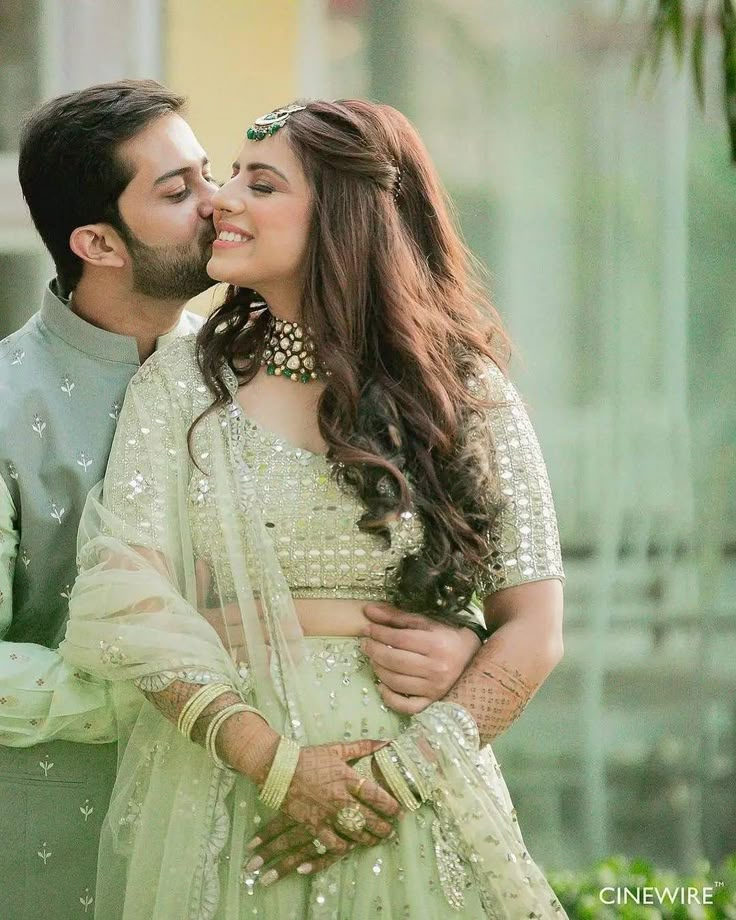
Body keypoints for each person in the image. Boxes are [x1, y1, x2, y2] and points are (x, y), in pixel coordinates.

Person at [60, 100, 567, 919]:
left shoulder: (463, 391)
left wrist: (393, 780)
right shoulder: (183, 383)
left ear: (344, 218)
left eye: (260, 183)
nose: (222, 198)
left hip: (409, 789)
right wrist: (277, 763)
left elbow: (535, 625)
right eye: (232, 176)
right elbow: (127, 593)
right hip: (224, 792)